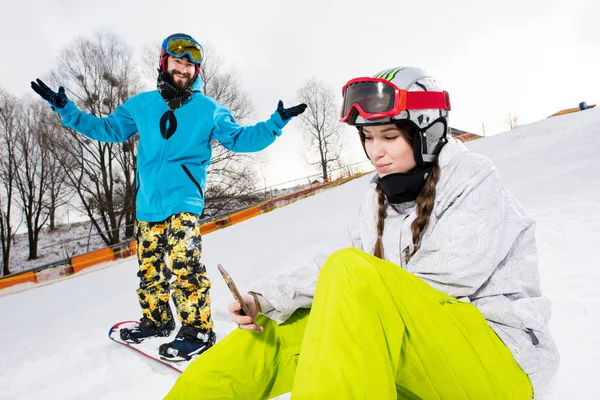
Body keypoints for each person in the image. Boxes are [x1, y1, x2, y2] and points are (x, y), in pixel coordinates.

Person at [165, 67, 560, 399]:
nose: (376, 152)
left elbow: (438, 281)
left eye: (389, 136)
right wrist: (267, 299)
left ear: (429, 134)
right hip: (420, 360)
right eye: (368, 138)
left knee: (347, 278)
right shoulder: (378, 198)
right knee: (271, 333)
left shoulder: (474, 180)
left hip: (497, 365)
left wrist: (338, 306)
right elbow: (346, 280)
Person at [30, 33, 307, 361]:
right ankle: (158, 320)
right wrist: (66, 109)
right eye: (178, 62)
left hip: (183, 200)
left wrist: (275, 123)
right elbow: (107, 129)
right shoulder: (142, 105)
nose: (184, 69)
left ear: (197, 71)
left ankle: (198, 328)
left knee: (183, 261)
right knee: (149, 267)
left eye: (190, 65)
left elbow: (241, 140)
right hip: (148, 203)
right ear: (165, 62)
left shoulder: (208, 110)